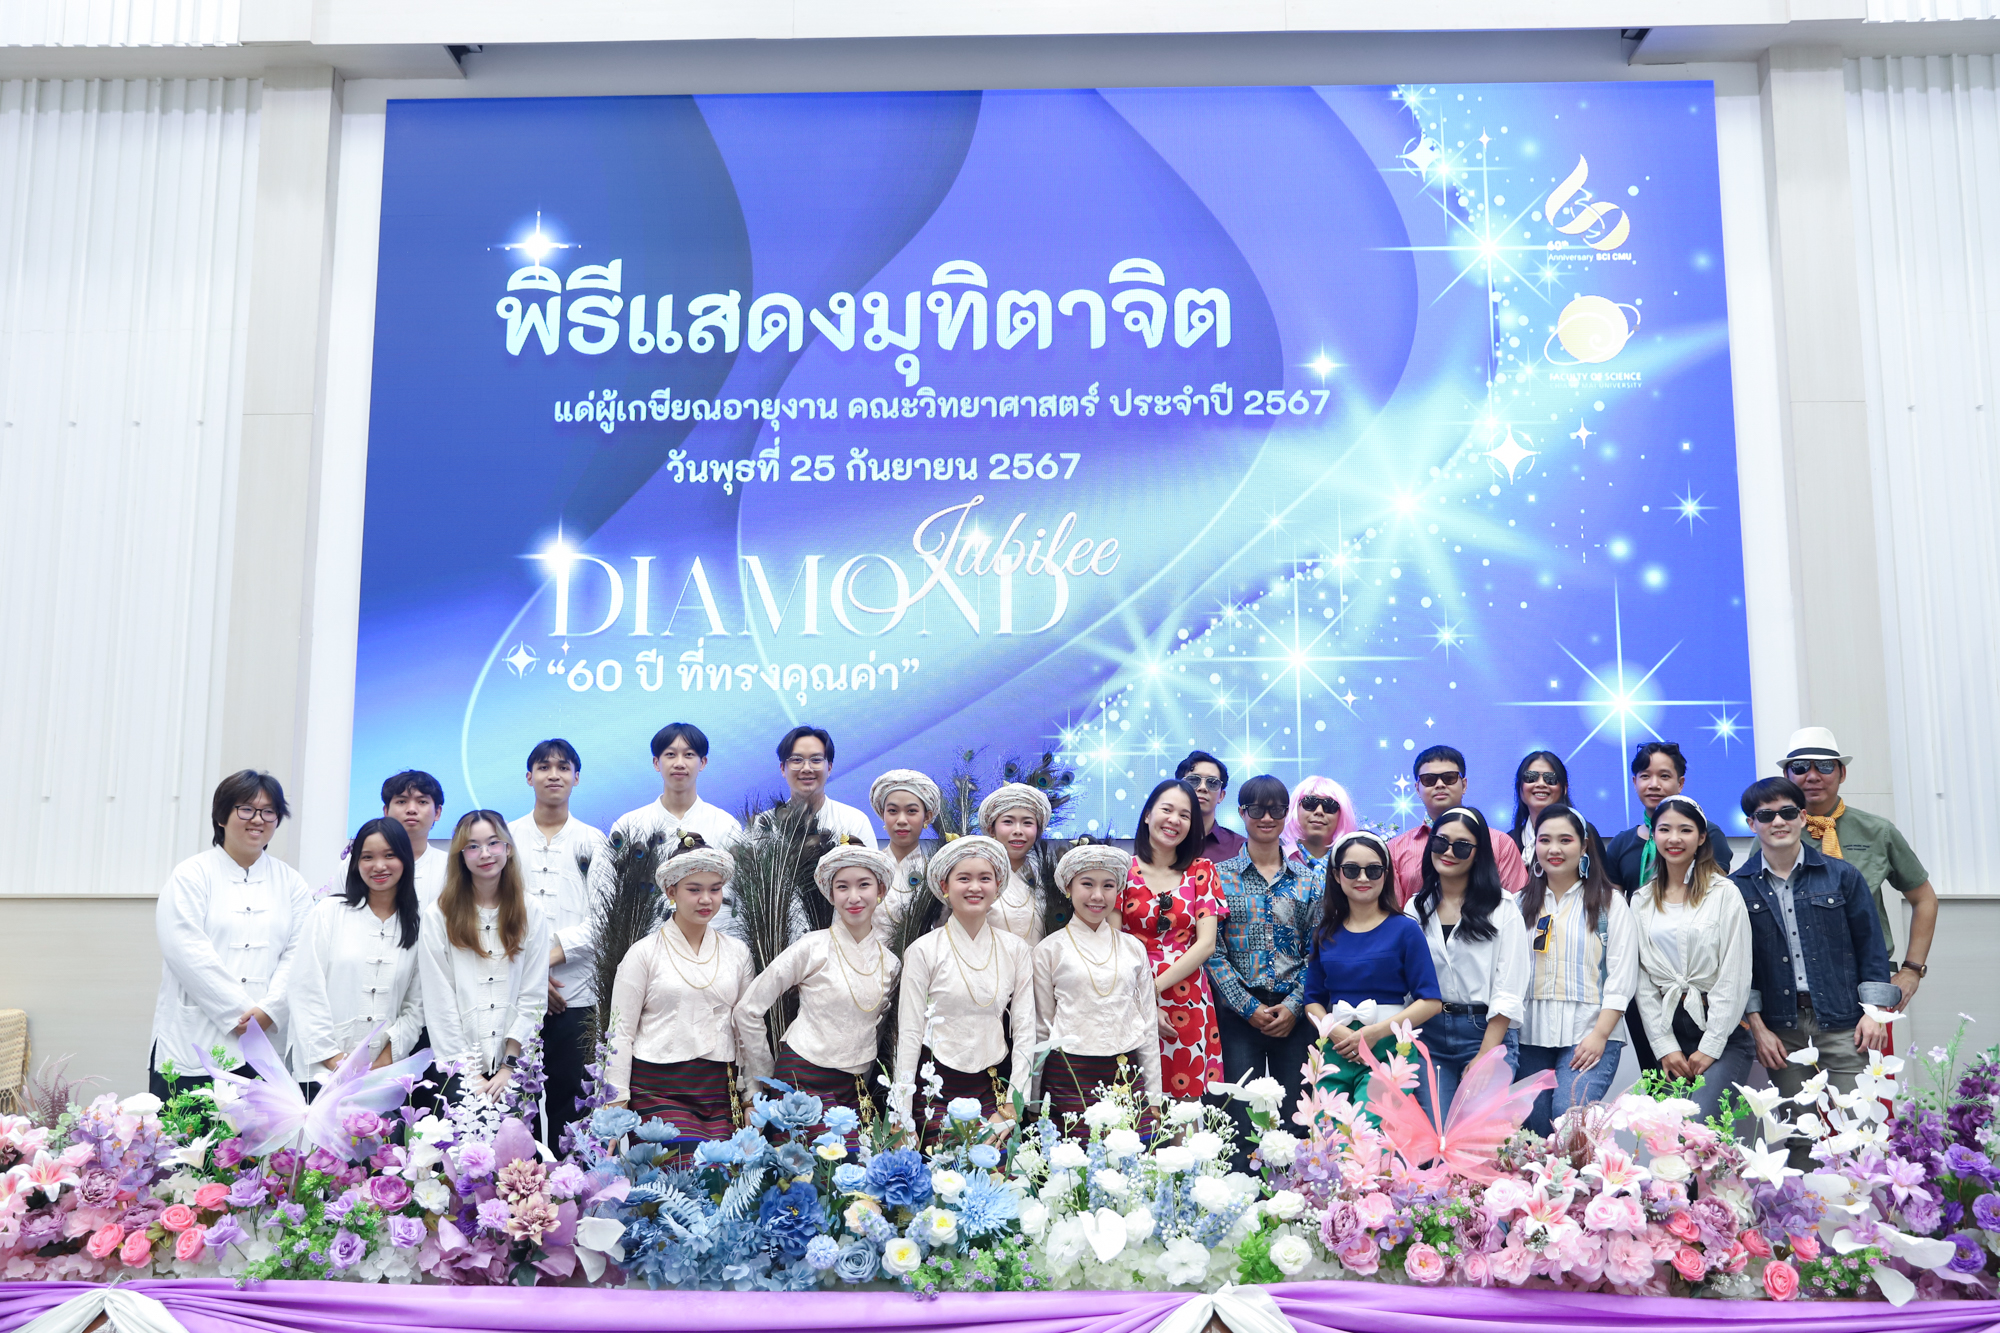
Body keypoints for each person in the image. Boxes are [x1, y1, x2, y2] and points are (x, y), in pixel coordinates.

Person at [1730, 777, 1899, 1155]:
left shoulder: (1843, 875)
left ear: (1803, 817)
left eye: (1788, 812)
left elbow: (1871, 948)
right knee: (1800, 1137)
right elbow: (1738, 968)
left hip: (1846, 1023)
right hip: (1781, 1030)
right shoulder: (1736, 888)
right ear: (1751, 823)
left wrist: (1874, 1013)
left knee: (1860, 1129)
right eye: (1766, 815)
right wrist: (1757, 1027)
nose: (1778, 822)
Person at [150, 771, 313, 1099]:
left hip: (266, 1045)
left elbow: (301, 954)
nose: (258, 819)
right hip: (194, 1042)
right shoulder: (191, 875)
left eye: (268, 811)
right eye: (246, 809)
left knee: (260, 1132)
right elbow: (186, 951)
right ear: (221, 816)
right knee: (187, 1130)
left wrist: (270, 1011)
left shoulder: (292, 883)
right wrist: (238, 1013)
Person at [604, 834, 762, 1146]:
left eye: (715, 889)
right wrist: (616, 1103)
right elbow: (619, 1032)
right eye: (694, 889)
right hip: (656, 1090)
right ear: (671, 891)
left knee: (721, 1172)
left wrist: (751, 1097)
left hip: (719, 1090)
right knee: (681, 1165)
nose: (706, 899)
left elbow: (747, 1029)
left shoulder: (738, 953)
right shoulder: (642, 954)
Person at [735, 840, 900, 1121]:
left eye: (864, 885)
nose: (854, 897)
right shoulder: (811, 947)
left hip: (853, 1090)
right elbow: (747, 1009)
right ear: (831, 895)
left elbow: (876, 1033)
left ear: (880, 890)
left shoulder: (891, 964)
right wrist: (766, 1077)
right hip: (801, 1078)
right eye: (843, 887)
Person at [1780, 727, 1937, 1013]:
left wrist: (1912, 970)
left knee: (1871, 1045)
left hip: (1868, 976)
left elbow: (1924, 898)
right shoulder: (1773, 834)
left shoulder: (1877, 831)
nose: (1812, 776)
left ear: (1842, 773)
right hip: (1794, 984)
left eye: (1824, 766)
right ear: (1786, 776)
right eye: (1800, 767)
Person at [891, 836, 1036, 1141]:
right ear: (945, 886)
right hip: (934, 1088)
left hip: (992, 1087)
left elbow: (1025, 1029)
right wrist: (902, 1113)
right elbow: (910, 1033)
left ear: (997, 886)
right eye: (964, 878)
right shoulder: (922, 951)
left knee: (998, 1169)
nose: (975, 887)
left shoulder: (1016, 950)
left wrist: (1014, 1104)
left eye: (984, 878)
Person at [1208, 775, 1321, 1139]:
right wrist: (1247, 1007)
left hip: (1295, 1017)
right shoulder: (1218, 877)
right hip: (1238, 1017)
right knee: (1238, 1124)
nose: (1267, 818)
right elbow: (1213, 951)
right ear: (1242, 812)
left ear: (1288, 814)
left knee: (1298, 1123)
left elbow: (1316, 953)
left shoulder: (1308, 881)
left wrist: (1294, 1006)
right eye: (1256, 809)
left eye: (1276, 810)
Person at [1514, 804, 1638, 1136]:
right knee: (1534, 1131)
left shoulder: (1610, 903)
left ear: (1584, 846)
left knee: (1568, 1121)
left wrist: (1600, 1035)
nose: (1554, 849)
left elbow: (1622, 977)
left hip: (1590, 1032)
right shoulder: (1516, 904)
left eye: (1565, 840)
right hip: (1529, 1035)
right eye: (1545, 840)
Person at [1302, 830, 1443, 1116]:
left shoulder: (1406, 929)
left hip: (1389, 1046)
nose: (1363, 878)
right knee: (1328, 1133)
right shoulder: (1324, 933)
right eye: (1352, 870)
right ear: (1336, 875)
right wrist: (1335, 1030)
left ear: (1386, 874)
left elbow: (1431, 1002)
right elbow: (1312, 1001)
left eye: (1373, 870)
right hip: (1336, 1046)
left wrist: (1376, 1032)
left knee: (1371, 1133)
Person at [1632, 795, 1754, 1125]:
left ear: (1701, 838)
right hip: (1668, 1030)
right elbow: (1643, 982)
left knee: (1699, 1128)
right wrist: (1664, 1046)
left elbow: (1735, 975)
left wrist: (1711, 1045)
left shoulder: (1724, 893)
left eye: (1685, 830)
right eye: (1664, 829)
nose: (1674, 838)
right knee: (1667, 1137)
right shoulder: (1641, 899)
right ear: (1653, 835)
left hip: (1722, 1030)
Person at [416, 811, 550, 1108]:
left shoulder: (531, 910)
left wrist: (509, 1067)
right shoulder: (438, 915)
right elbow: (440, 1003)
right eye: (473, 846)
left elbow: (533, 995)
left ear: (508, 848)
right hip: (458, 1070)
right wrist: (469, 1074)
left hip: (515, 1067)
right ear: (461, 856)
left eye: (493, 843)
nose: (485, 853)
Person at [508, 739, 606, 1138]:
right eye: (544, 767)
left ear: (576, 778)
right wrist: (530, 976)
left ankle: (571, 1180)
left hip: (574, 995)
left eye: (563, 767)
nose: (554, 775)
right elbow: (492, 915)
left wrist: (540, 964)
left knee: (573, 1108)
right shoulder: (505, 838)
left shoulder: (595, 842)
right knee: (514, 1109)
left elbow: (603, 921)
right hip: (512, 995)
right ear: (528, 777)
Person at [1406, 806, 1529, 1116]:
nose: (1448, 852)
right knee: (1437, 1134)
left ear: (1478, 853)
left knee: (1476, 1134)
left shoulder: (1502, 907)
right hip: (1428, 1035)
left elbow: (1509, 988)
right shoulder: (1415, 908)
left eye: (1461, 846)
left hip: (1484, 1031)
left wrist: (1486, 1054)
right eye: (1440, 842)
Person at [1035, 839, 1163, 1131]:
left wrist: (1154, 1095)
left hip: (1124, 1071)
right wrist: (1032, 1101)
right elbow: (1042, 1028)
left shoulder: (1133, 948)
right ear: (1068, 887)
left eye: (1108, 886)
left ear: (1118, 891)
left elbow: (1147, 1025)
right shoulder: (1048, 950)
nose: (1097, 895)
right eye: (1087, 884)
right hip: (1068, 1073)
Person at [288, 817, 426, 1088]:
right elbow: (304, 989)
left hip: (381, 1077)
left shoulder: (417, 924)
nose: (379, 866)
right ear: (355, 863)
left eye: (389, 855)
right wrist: (335, 1059)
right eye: (367, 857)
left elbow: (416, 1005)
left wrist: (384, 1061)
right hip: (320, 1073)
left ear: (406, 859)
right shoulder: (329, 913)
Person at [1118, 779, 1227, 1101]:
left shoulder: (1202, 871)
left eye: (1185, 815)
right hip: (1128, 995)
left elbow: (1206, 944)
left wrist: (1152, 990)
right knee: (1133, 1103)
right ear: (1147, 815)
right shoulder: (1121, 870)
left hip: (1186, 998)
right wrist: (1142, 997)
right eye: (1167, 810)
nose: (1174, 820)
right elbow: (1112, 942)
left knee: (1184, 1108)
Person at [594, 722, 744, 898]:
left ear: (702, 762)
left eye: (689, 755)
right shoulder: (629, 825)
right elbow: (607, 892)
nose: (679, 763)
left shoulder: (726, 825)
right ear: (656, 763)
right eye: (671, 755)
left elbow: (740, 895)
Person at [1387, 746, 1528, 903]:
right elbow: (1392, 911)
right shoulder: (1395, 849)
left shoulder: (1501, 843)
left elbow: (1519, 905)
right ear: (1418, 789)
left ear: (1464, 785)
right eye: (1429, 780)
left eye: (1449, 778)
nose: (1440, 784)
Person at [868, 768, 942, 944]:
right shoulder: (866, 868)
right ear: (883, 814)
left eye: (911, 811)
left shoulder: (937, 872)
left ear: (927, 817)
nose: (901, 820)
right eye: (893, 811)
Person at [769, 725, 876, 844]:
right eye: (797, 760)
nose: (806, 768)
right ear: (783, 769)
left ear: (829, 768)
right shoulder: (763, 825)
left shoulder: (855, 822)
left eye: (816, 760)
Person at [977, 782, 1054, 945]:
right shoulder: (976, 878)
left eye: (1027, 823)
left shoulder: (1050, 879)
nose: (1018, 830)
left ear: (1038, 830)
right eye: (1008, 822)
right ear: (992, 830)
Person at [382, 770, 449, 904]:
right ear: (386, 811)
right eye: (401, 801)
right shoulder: (359, 863)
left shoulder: (452, 866)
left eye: (422, 802)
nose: (411, 809)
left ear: (437, 812)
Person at [1176, 750, 1245, 862]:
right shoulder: (1159, 840)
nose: (1202, 788)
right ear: (1177, 789)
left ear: (1221, 796)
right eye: (1193, 780)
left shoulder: (1240, 849)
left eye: (1212, 783)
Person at [1281, 776, 1357, 872]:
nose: (1319, 811)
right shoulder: (1275, 857)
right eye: (1310, 803)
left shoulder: (1355, 860)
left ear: (1342, 814)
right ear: (1295, 809)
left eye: (1329, 806)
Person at [1509, 752, 1569, 858]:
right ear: (1519, 788)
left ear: (1564, 788)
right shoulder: (1508, 843)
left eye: (1550, 778)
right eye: (1531, 777)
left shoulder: (1583, 834)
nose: (1541, 784)